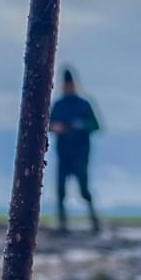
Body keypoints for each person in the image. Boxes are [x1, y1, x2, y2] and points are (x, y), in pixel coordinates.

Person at [49, 68, 101, 233]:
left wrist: (77, 126)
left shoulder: (84, 105)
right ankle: (63, 226)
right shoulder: (58, 105)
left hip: (80, 154)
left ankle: (95, 224)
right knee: (60, 191)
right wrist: (55, 127)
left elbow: (95, 125)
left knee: (84, 190)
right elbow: (47, 125)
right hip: (63, 154)